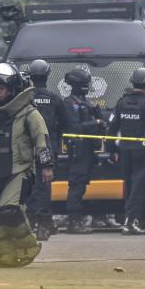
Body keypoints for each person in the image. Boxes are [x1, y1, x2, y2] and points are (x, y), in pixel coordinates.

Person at [0, 62, 54, 268]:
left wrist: (47, 166)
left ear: (12, 89)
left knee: (10, 210)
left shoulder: (29, 113)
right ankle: (7, 254)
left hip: (19, 171)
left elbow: (42, 140)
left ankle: (29, 246)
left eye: (2, 89)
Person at [25, 59, 77, 241]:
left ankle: (30, 224)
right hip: (47, 149)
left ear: (30, 76)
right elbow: (66, 124)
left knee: (27, 187)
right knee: (44, 188)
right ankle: (44, 226)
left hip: (26, 150)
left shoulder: (24, 98)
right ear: (47, 75)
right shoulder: (54, 99)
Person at [108, 68, 145, 235]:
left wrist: (111, 149)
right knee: (139, 186)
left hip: (124, 149)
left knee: (129, 185)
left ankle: (129, 219)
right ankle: (131, 221)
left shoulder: (122, 101)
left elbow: (112, 126)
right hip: (143, 150)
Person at [64, 68, 105, 234]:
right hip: (78, 149)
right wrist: (95, 124)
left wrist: (99, 122)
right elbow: (74, 128)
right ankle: (74, 222)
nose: (87, 87)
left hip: (88, 149)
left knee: (81, 185)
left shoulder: (85, 102)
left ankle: (78, 220)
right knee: (76, 185)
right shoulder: (69, 103)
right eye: (85, 84)